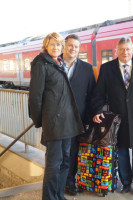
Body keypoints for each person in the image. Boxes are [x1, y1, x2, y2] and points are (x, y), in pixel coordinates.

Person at [29, 32, 84, 200]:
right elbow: (35, 96)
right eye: (52, 44)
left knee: (65, 160)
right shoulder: (41, 64)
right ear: (46, 45)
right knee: (54, 163)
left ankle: (59, 195)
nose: (56, 48)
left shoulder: (59, 63)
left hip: (67, 122)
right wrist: (40, 120)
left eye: (59, 45)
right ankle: (49, 197)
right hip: (53, 121)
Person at [91, 37, 133, 196]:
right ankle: (125, 182)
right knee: (121, 153)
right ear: (117, 51)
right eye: (122, 49)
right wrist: (97, 111)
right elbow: (99, 94)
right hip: (117, 120)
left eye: (128, 49)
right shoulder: (107, 68)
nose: (125, 52)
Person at [62, 34, 96, 196]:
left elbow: (92, 95)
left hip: (78, 119)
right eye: (70, 45)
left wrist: (91, 117)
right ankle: (57, 181)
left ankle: (69, 181)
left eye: (76, 46)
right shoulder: (54, 65)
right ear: (64, 46)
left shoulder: (87, 68)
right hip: (57, 119)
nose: (73, 49)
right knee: (57, 153)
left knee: (73, 151)